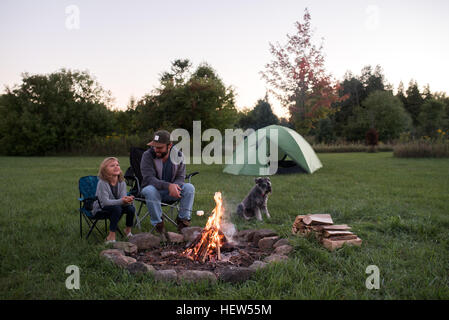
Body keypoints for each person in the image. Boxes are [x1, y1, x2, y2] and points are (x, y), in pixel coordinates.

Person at [140, 130, 195, 238]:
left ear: (169, 145)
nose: (156, 150)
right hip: (154, 192)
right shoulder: (147, 155)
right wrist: (169, 186)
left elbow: (180, 176)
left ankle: (183, 223)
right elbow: (149, 179)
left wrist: (175, 186)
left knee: (189, 187)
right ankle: (159, 225)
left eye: (159, 147)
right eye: (154, 146)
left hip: (173, 191)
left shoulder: (178, 155)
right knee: (148, 190)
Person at [92, 157, 135, 244]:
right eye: (112, 166)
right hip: (101, 208)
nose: (116, 167)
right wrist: (122, 201)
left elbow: (122, 199)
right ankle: (111, 236)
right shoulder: (102, 183)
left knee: (131, 208)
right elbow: (105, 202)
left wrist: (128, 200)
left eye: (117, 165)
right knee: (117, 208)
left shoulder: (121, 182)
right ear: (104, 170)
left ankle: (127, 231)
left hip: (116, 207)